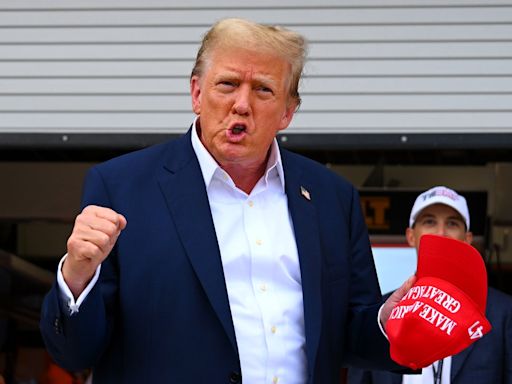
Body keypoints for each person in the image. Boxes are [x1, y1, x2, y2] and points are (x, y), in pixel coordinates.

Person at [40, 18, 412, 384]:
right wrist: (77, 274)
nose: (242, 105)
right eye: (228, 84)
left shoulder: (333, 197)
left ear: (288, 111)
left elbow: (348, 333)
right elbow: (74, 353)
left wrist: (392, 319)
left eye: (263, 90)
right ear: (197, 93)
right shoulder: (121, 187)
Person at [347, 186, 512, 384]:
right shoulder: (382, 311)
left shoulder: (502, 312)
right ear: (410, 236)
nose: (441, 232)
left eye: (452, 223)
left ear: (468, 239)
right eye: (429, 221)